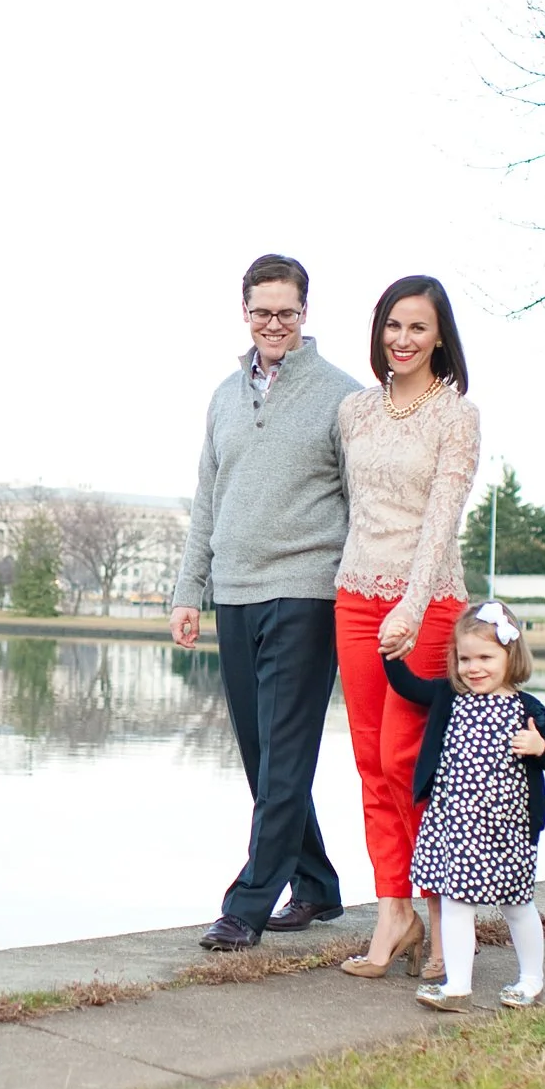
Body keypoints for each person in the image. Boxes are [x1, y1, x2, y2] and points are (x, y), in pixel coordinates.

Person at [171, 254, 362, 951]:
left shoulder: (344, 397)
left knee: (286, 754)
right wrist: (189, 591)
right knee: (262, 756)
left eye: (286, 311)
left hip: (307, 592)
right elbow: (207, 499)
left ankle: (247, 905)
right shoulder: (224, 395)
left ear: (305, 313)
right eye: (262, 312)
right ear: (244, 313)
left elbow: (361, 502)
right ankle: (317, 885)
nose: (274, 323)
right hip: (237, 592)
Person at [334, 275, 481, 979]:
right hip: (355, 598)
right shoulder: (354, 413)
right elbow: (349, 507)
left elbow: (440, 522)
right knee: (368, 761)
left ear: (440, 336)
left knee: (408, 761)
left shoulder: (457, 416)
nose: (402, 339)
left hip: (426, 607)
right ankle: (393, 912)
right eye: (393, 325)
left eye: (417, 327)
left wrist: (412, 607)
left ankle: (443, 917)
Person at [383, 600, 545, 1011]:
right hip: (456, 828)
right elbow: (407, 686)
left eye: (486, 657)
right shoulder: (450, 697)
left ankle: (531, 978)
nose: (474, 667)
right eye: (465, 658)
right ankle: (457, 986)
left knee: (517, 906)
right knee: (455, 904)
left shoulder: (526, 709)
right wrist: (392, 653)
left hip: (507, 833)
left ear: (511, 656)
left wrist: (539, 748)